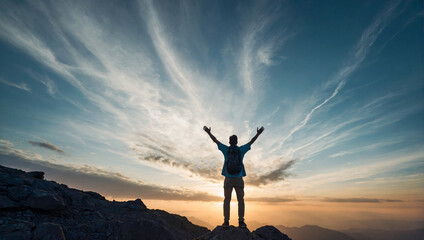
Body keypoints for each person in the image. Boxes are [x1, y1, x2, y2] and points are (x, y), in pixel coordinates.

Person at [203, 125, 264, 228]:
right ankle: (241, 221)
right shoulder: (241, 150)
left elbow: (216, 141)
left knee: (227, 200)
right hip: (239, 178)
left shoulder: (226, 150)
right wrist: (258, 133)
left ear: (229, 142)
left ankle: (226, 221)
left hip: (228, 178)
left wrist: (208, 133)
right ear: (237, 141)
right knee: (241, 200)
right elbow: (251, 142)